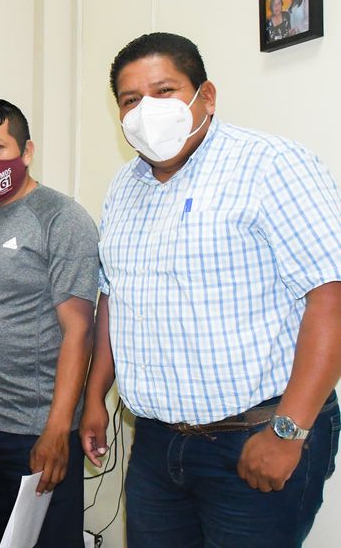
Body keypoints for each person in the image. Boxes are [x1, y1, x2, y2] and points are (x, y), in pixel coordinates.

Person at [81, 32, 340, 548]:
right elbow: (115, 297)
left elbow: (330, 297)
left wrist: (288, 432)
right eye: (131, 100)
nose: (147, 110)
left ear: (207, 96)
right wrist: (95, 395)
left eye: (164, 91)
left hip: (255, 435)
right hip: (156, 444)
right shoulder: (124, 187)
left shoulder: (270, 165)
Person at [0, 99, 99, 547]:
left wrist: (57, 429)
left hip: (35, 429)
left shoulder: (61, 218)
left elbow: (80, 331)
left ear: (27, 150)